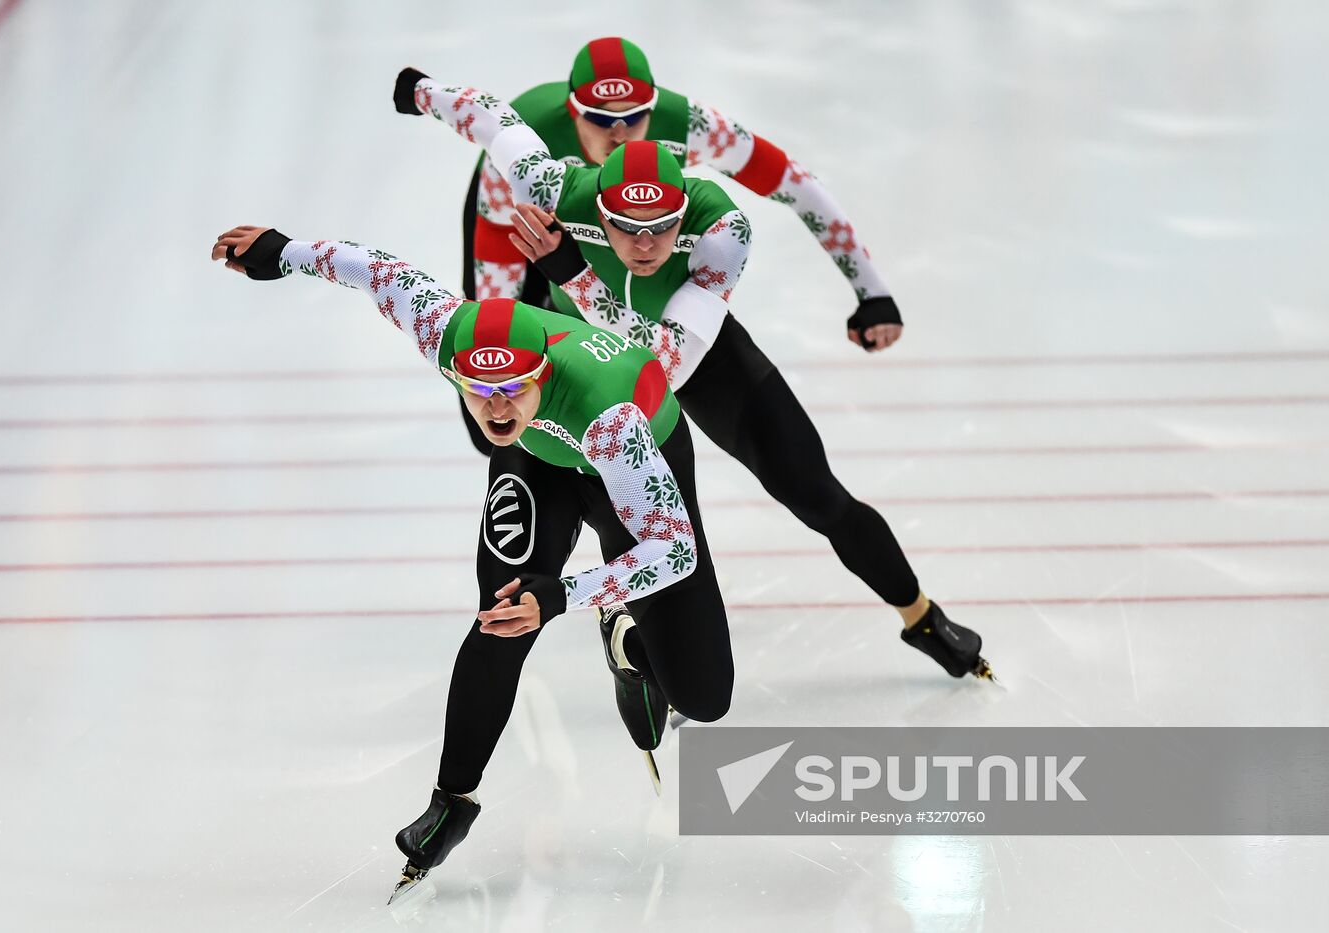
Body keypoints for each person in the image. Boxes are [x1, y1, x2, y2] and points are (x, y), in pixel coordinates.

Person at [394, 67, 993, 683]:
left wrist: (872, 292)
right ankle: (626, 618)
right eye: (598, 120)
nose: (645, 243)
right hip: (587, 366)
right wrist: (419, 92)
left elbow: (664, 361)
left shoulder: (720, 223)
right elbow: (493, 120)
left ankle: (919, 615)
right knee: (624, 512)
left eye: (662, 227)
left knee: (815, 491)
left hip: (689, 351)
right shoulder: (552, 186)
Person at [210, 224, 732, 897]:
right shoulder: (446, 330)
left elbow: (675, 548)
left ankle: (629, 641)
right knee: (503, 613)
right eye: (478, 389)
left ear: (541, 371)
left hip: (624, 467)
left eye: (514, 387)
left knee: (705, 697)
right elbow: (373, 267)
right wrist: (280, 251)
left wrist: (569, 593)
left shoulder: (612, 419)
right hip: (542, 458)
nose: (495, 407)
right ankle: (451, 800)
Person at [454, 36, 903, 455]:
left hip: (623, 252)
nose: (619, 135)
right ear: (572, 112)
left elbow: (792, 184)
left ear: (653, 108)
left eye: (634, 117)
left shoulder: (690, 126)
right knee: (498, 428)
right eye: (600, 118)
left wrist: (872, 291)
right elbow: (497, 239)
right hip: (538, 234)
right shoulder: (528, 155)